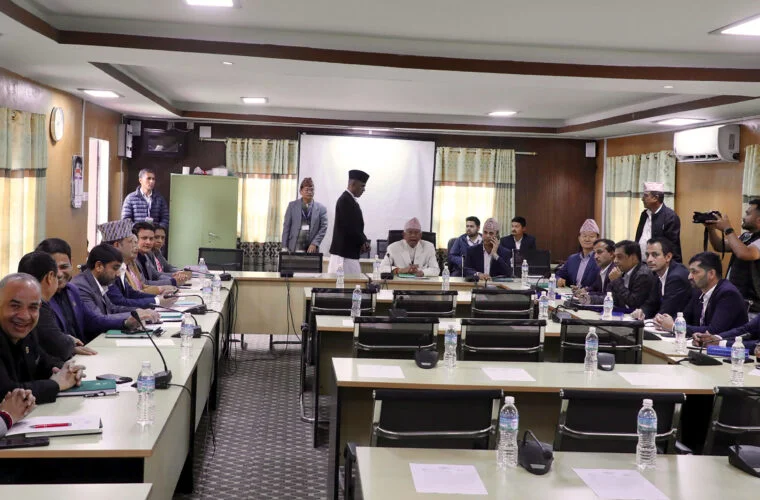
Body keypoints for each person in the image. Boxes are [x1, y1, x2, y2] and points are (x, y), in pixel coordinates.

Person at [0, 274, 84, 403]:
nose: (25, 316)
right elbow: (6, 393)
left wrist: (67, 371)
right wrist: (57, 384)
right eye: (15, 306)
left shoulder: (28, 332)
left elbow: (44, 361)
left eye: (33, 308)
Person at [17, 252, 96, 360]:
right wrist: (69, 341)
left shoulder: (69, 291)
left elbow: (41, 355)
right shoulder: (39, 306)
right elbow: (59, 346)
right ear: (50, 277)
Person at [36, 238, 115, 342]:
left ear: (71, 263)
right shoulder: (38, 298)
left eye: (64, 267)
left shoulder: (72, 290)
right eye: (53, 268)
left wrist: (127, 320)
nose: (59, 274)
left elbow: (93, 320)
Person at [70, 244, 157, 338]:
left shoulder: (96, 282)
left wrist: (137, 311)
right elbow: (95, 320)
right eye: (115, 268)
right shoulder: (81, 286)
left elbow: (112, 308)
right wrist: (126, 321)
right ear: (99, 266)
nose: (118, 274)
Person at [654, 252, 748, 338]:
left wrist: (675, 327)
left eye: (694, 272)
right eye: (690, 272)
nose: (689, 277)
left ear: (711, 274)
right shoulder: (699, 291)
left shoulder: (728, 294)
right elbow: (685, 318)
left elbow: (713, 331)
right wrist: (663, 321)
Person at [98, 220, 177, 309]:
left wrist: (159, 298)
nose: (135, 246)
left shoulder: (120, 266)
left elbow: (131, 293)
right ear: (116, 245)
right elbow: (119, 302)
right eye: (131, 242)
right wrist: (157, 301)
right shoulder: (105, 269)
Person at [703, 199, 760, 313]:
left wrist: (727, 228)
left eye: (748, 214)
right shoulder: (745, 236)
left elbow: (744, 253)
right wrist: (711, 229)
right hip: (737, 299)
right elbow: (720, 246)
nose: (744, 217)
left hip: (753, 307)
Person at [634, 238, 691, 319]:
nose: (649, 260)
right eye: (647, 255)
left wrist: (652, 319)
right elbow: (651, 303)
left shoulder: (676, 277)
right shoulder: (658, 275)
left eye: (655, 255)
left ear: (668, 257)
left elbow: (667, 312)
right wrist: (642, 312)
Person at [589, 240, 654, 309]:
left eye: (619, 257)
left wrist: (617, 280)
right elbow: (611, 298)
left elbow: (633, 304)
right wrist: (589, 299)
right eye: (615, 257)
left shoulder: (643, 275)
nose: (615, 261)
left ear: (633, 258)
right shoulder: (622, 271)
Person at [328, 169, 370, 274]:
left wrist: (363, 241)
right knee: (343, 283)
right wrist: (363, 241)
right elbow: (349, 227)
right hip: (343, 256)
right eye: (362, 186)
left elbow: (356, 226)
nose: (364, 189)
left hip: (348, 254)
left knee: (353, 282)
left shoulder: (350, 200)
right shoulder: (345, 200)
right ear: (353, 184)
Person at [635, 181, 682, 262]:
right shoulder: (644, 214)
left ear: (655, 198)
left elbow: (671, 246)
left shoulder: (670, 216)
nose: (642, 199)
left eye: (646, 196)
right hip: (642, 263)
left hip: (661, 264)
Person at [282, 177, 329, 253]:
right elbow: (286, 227)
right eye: (307, 190)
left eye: (312, 190)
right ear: (301, 191)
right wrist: (284, 246)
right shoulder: (292, 206)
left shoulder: (321, 209)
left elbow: (323, 228)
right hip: (293, 246)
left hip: (311, 248)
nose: (309, 192)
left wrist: (315, 243)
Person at [133, 222, 187, 286]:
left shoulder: (145, 256)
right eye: (144, 238)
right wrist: (173, 281)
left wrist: (175, 276)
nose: (148, 242)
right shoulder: (132, 259)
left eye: (151, 239)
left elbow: (156, 275)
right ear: (135, 239)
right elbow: (144, 284)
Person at [556, 219, 600, 288]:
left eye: (591, 236)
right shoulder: (572, 259)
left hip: (589, 294)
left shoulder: (600, 259)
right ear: (579, 238)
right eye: (584, 236)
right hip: (571, 293)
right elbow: (558, 275)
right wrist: (558, 279)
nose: (587, 239)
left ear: (597, 239)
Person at [573, 238, 615, 303]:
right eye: (594, 253)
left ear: (611, 254)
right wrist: (584, 291)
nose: (595, 257)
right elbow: (595, 288)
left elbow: (610, 297)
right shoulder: (601, 270)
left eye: (599, 252)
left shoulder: (615, 271)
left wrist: (588, 297)